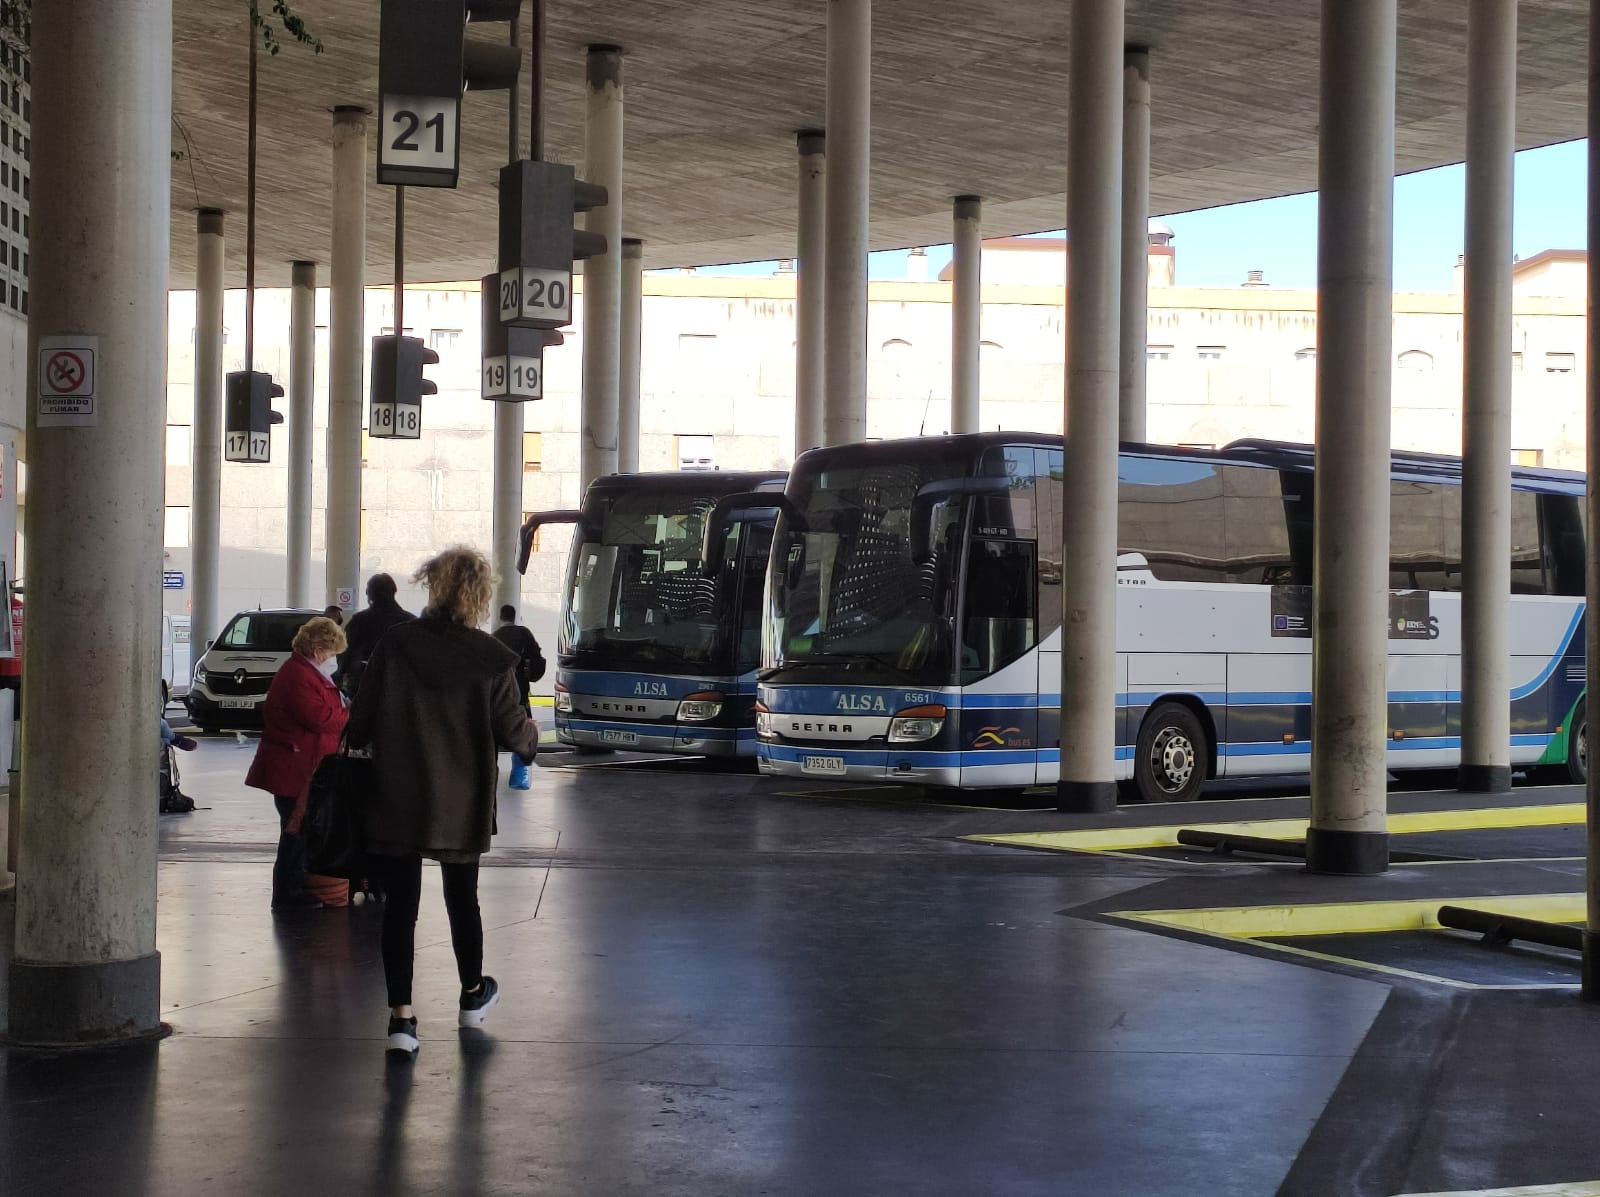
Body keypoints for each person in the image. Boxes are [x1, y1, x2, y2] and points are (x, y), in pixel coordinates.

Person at [347, 547, 538, 1058]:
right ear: (477, 594)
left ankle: (401, 1021)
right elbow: (513, 731)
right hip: (462, 798)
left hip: (397, 795)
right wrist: (530, 741)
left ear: (432, 585)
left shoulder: (395, 644)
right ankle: (472, 993)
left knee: (399, 909)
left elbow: (360, 719)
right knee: (462, 899)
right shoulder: (493, 658)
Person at [246, 616, 350, 911]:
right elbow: (320, 718)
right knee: (295, 830)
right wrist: (350, 715)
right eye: (332, 653)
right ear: (320, 650)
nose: (333, 660)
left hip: (303, 762)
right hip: (295, 765)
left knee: (298, 829)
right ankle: (287, 894)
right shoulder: (299, 676)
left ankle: (294, 889)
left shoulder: (306, 672)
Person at [491, 604, 545, 791]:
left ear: (500, 616)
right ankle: (520, 773)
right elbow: (537, 660)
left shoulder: (495, 637)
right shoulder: (524, 634)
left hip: (498, 693)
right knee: (523, 727)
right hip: (520, 690)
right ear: (515, 617)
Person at [339, 572, 415, 695]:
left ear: (369, 593)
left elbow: (346, 651)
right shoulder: (410, 621)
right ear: (394, 591)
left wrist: (341, 673)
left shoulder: (360, 620)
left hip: (362, 683)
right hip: (399, 686)